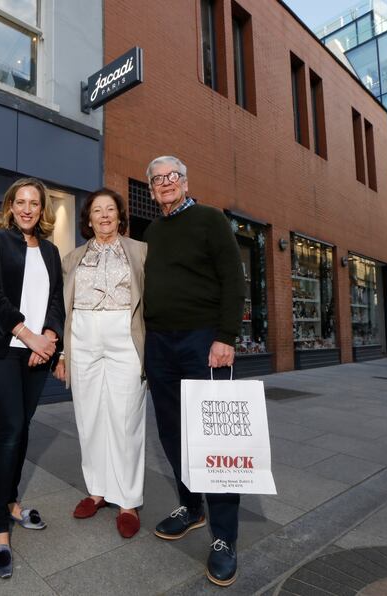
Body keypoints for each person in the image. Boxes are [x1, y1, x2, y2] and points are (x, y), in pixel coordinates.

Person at [143, 156, 246, 587]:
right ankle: (192, 505)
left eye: (172, 177)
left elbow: (233, 279)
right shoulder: (152, 231)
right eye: (158, 179)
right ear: (151, 190)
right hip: (160, 343)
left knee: (214, 434)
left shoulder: (210, 219)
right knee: (171, 430)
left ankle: (224, 538)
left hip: (203, 342)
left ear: (185, 182)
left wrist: (226, 336)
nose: (166, 184)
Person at [0, 177, 65, 579]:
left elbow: (57, 301)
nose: (27, 209)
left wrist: (49, 337)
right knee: (8, 429)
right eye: (21, 202)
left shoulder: (50, 250)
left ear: (42, 209)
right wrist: (28, 336)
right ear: (10, 205)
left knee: (23, 428)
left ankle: (12, 503)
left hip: (37, 354)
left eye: (35, 203)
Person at [53, 188, 147, 538]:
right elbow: (65, 307)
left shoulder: (140, 251)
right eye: (97, 210)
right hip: (83, 336)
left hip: (125, 333)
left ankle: (127, 500)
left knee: (127, 419)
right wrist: (63, 351)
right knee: (89, 416)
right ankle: (97, 491)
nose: (104, 215)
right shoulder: (72, 258)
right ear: (88, 218)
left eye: (111, 209)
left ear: (120, 216)